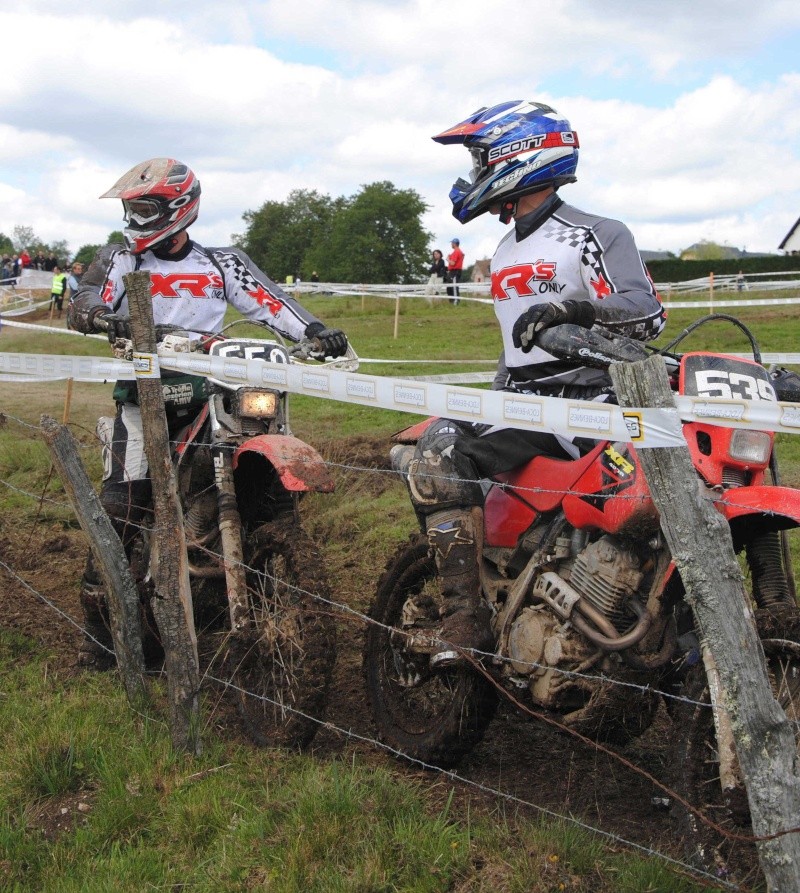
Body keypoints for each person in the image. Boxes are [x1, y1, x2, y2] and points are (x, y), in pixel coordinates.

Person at [403, 100, 666, 666]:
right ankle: (468, 616)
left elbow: (647, 311)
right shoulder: (505, 247)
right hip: (525, 402)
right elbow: (513, 346)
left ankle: (471, 623)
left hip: (590, 400)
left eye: (480, 158)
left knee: (440, 453)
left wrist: (577, 310)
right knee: (436, 451)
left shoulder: (593, 233)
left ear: (517, 155)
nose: (473, 173)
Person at [67, 157, 348, 668]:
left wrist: (314, 331)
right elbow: (84, 298)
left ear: (178, 207)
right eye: (132, 207)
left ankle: (260, 587)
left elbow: (272, 303)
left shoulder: (221, 262)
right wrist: (105, 318)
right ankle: (99, 629)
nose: (135, 217)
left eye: (144, 206)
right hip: (146, 396)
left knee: (262, 490)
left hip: (216, 391)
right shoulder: (123, 259)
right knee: (124, 506)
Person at [446, 238, 464, 304]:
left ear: (454, 243)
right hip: (455, 271)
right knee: (451, 286)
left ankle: (455, 301)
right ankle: (453, 301)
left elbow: (453, 263)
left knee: (453, 287)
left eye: (452, 243)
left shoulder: (456, 251)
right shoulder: (458, 251)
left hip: (454, 271)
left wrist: (448, 259)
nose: (451, 244)